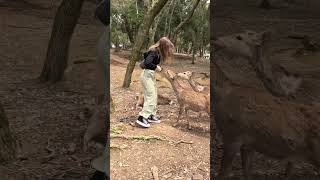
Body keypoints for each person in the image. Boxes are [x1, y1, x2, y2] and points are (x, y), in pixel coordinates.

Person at [136, 37, 174, 128]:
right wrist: (157, 67)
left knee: (154, 95)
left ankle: (151, 115)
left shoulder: (157, 52)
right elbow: (147, 63)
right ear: (164, 46)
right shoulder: (154, 51)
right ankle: (142, 118)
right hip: (146, 75)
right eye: (168, 47)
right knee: (150, 95)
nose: (169, 50)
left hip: (150, 75)